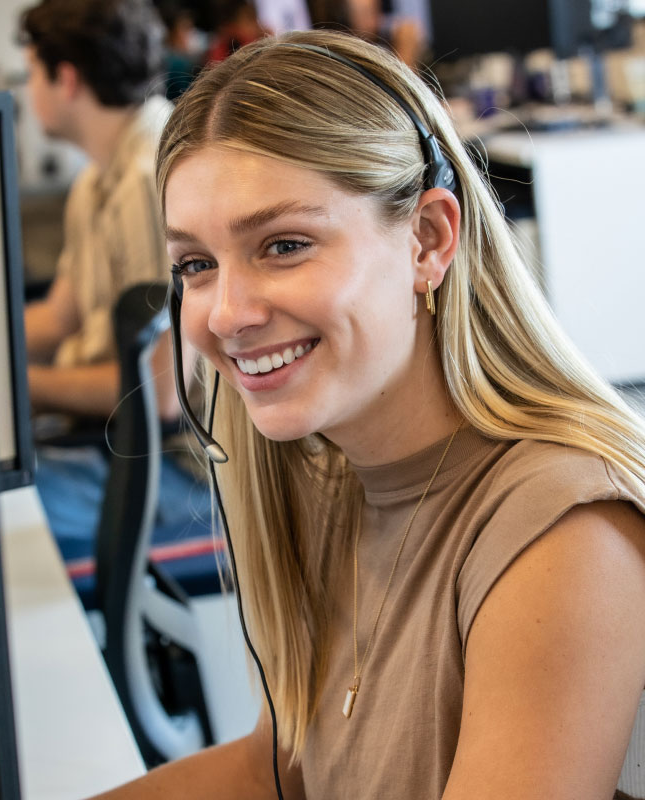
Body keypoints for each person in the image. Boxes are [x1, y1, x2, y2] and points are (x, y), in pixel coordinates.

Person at [90, 28, 645, 800]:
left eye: (283, 245)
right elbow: (278, 772)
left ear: (427, 239)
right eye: (197, 264)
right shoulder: (329, 474)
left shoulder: (562, 531)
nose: (227, 313)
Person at [18, 0, 194, 579]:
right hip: (111, 438)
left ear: (65, 78)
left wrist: (28, 389)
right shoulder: (97, 178)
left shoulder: (149, 178)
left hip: (169, 468)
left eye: (30, 74)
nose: (27, 91)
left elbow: (165, 391)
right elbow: (58, 317)